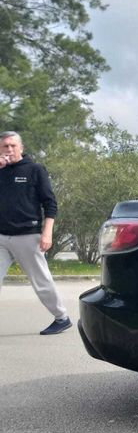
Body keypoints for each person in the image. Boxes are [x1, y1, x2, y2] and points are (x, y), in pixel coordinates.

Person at [0, 131, 72, 335]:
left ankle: (62, 317)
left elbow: (50, 203)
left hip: (27, 235)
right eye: (5, 146)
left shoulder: (35, 170)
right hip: (1, 237)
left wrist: (47, 233)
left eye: (13, 145)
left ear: (21, 148)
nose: (9, 149)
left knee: (41, 280)